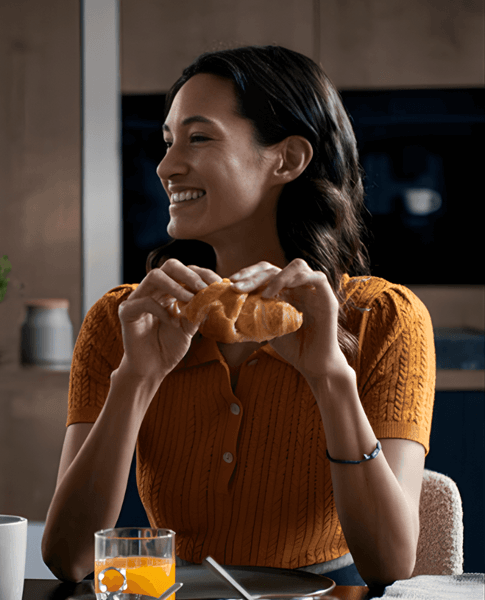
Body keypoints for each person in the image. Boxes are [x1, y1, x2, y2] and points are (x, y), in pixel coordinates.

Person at [41, 45, 435, 590]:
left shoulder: (385, 318)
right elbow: (69, 559)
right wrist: (136, 379)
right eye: (167, 140)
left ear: (288, 159)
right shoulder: (125, 320)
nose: (166, 166)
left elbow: (390, 566)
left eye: (198, 137)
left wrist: (328, 376)